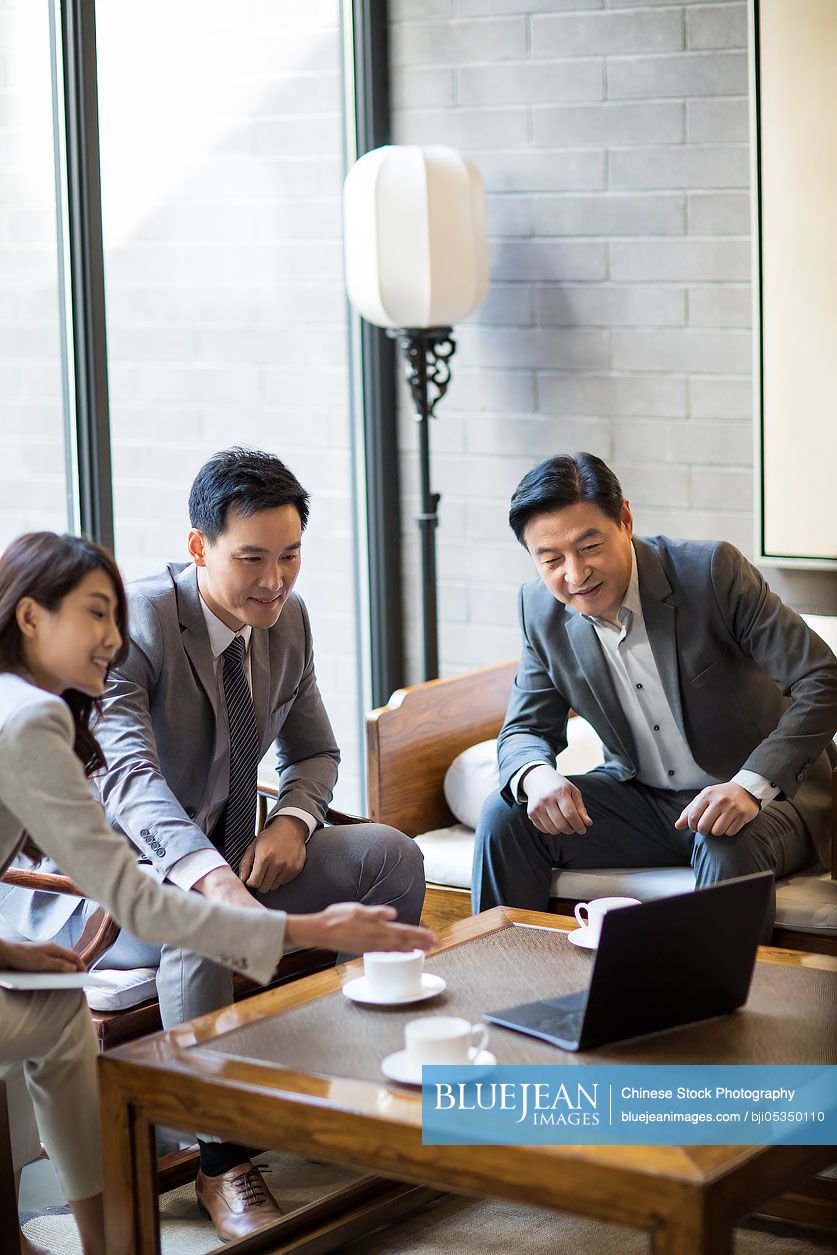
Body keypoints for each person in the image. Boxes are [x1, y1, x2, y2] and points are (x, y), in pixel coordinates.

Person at [1, 448, 426, 1241]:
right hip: (105, 890)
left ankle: (344, 1083)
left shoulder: (286, 619)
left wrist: (293, 821)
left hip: (239, 849)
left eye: (290, 555)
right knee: (202, 921)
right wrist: (208, 874)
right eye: (252, 559)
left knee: (388, 855)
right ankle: (218, 1154)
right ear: (198, 548)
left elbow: (318, 752)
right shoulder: (136, 624)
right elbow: (126, 775)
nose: (275, 579)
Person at [473, 453, 837, 938]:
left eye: (590, 546)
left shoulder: (710, 572)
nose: (576, 574)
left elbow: (822, 679)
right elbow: (524, 729)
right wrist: (534, 774)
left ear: (624, 519)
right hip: (643, 803)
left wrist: (750, 785)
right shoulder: (539, 610)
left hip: (761, 802)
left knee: (724, 839)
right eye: (552, 559)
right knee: (508, 812)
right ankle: (502, 986)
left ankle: (718, 1006)